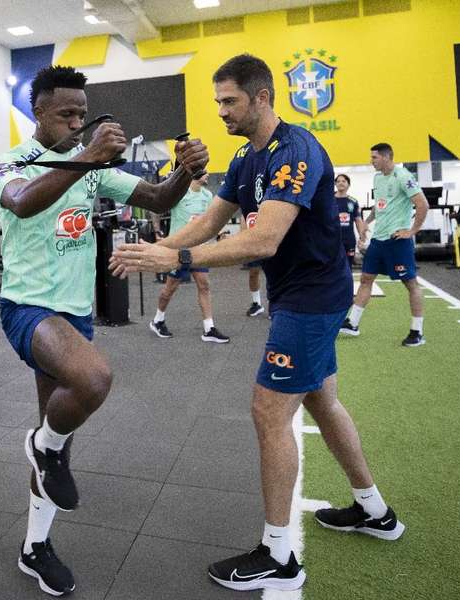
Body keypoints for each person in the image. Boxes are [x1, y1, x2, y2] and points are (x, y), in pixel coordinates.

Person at [110, 54, 405, 593]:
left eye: (230, 101)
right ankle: (375, 511)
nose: (220, 111)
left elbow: (263, 239)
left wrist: (174, 262)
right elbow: (209, 220)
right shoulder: (247, 158)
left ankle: (279, 557)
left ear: (263, 97)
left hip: (313, 296)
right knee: (321, 399)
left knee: (268, 412)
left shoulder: (296, 151)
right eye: (218, 101)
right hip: (296, 292)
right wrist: (157, 247)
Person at [0, 65, 208, 597]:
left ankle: (34, 545)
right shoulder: (12, 160)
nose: (77, 122)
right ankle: (43, 446)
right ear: (38, 112)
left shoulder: (93, 168)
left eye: (83, 115)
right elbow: (22, 201)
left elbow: (158, 199)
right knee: (93, 380)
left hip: (74, 311)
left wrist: (183, 170)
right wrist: (85, 155)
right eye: (67, 114)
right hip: (28, 306)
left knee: (56, 436)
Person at [341, 143, 428, 347]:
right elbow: (379, 206)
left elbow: (422, 204)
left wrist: (412, 231)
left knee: (411, 284)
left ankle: (417, 331)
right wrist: (366, 224)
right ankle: (352, 323)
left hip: (397, 241)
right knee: (366, 278)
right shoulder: (378, 177)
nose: (371, 161)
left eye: (374, 158)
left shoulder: (403, 176)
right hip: (378, 240)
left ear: (386, 157)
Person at [149, 173, 229, 342]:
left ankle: (209, 328)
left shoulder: (207, 195)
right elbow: (154, 208)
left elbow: (211, 220)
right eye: (204, 171)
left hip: (198, 250)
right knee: (170, 289)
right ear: (195, 175)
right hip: (178, 251)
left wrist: (221, 233)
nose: (207, 174)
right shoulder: (179, 194)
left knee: (204, 285)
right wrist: (157, 232)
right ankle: (158, 320)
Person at [334, 173, 367, 266]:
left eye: (343, 181)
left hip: (348, 240)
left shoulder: (353, 201)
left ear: (348, 184)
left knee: (347, 266)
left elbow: (358, 220)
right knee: (332, 266)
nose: (341, 183)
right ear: (335, 184)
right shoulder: (329, 200)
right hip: (332, 239)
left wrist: (362, 237)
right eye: (338, 181)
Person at [242, 212, 266, 316]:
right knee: (253, 272)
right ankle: (256, 304)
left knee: (274, 272)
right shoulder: (245, 196)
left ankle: (274, 303)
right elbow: (243, 216)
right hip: (253, 241)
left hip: (269, 237)